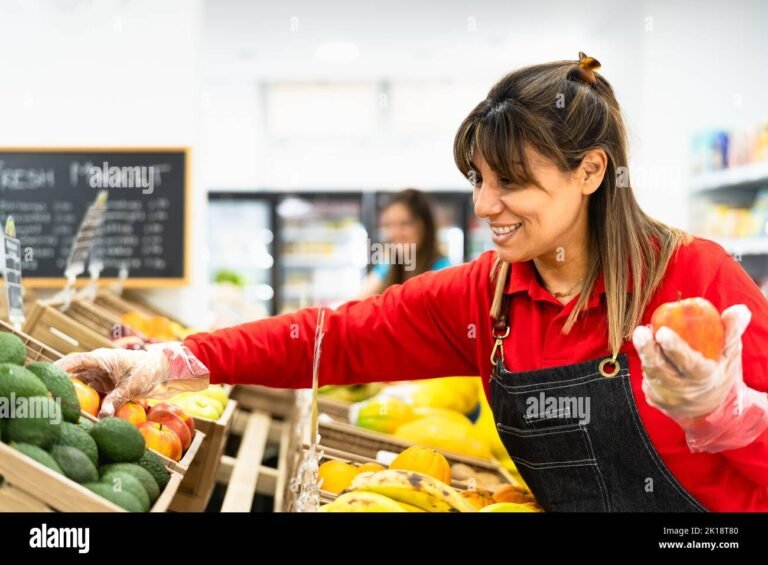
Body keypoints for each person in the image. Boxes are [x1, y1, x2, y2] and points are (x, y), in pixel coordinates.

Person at [58, 53, 768, 512]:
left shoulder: (698, 282)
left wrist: (730, 415)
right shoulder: (488, 299)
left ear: (590, 171)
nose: (485, 206)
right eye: (479, 180)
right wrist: (171, 360)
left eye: (511, 182)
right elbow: (329, 339)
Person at [358, 188, 451, 299]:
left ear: (425, 227)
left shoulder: (443, 271)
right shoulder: (387, 266)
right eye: (389, 225)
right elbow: (359, 300)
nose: (395, 233)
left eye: (405, 224)